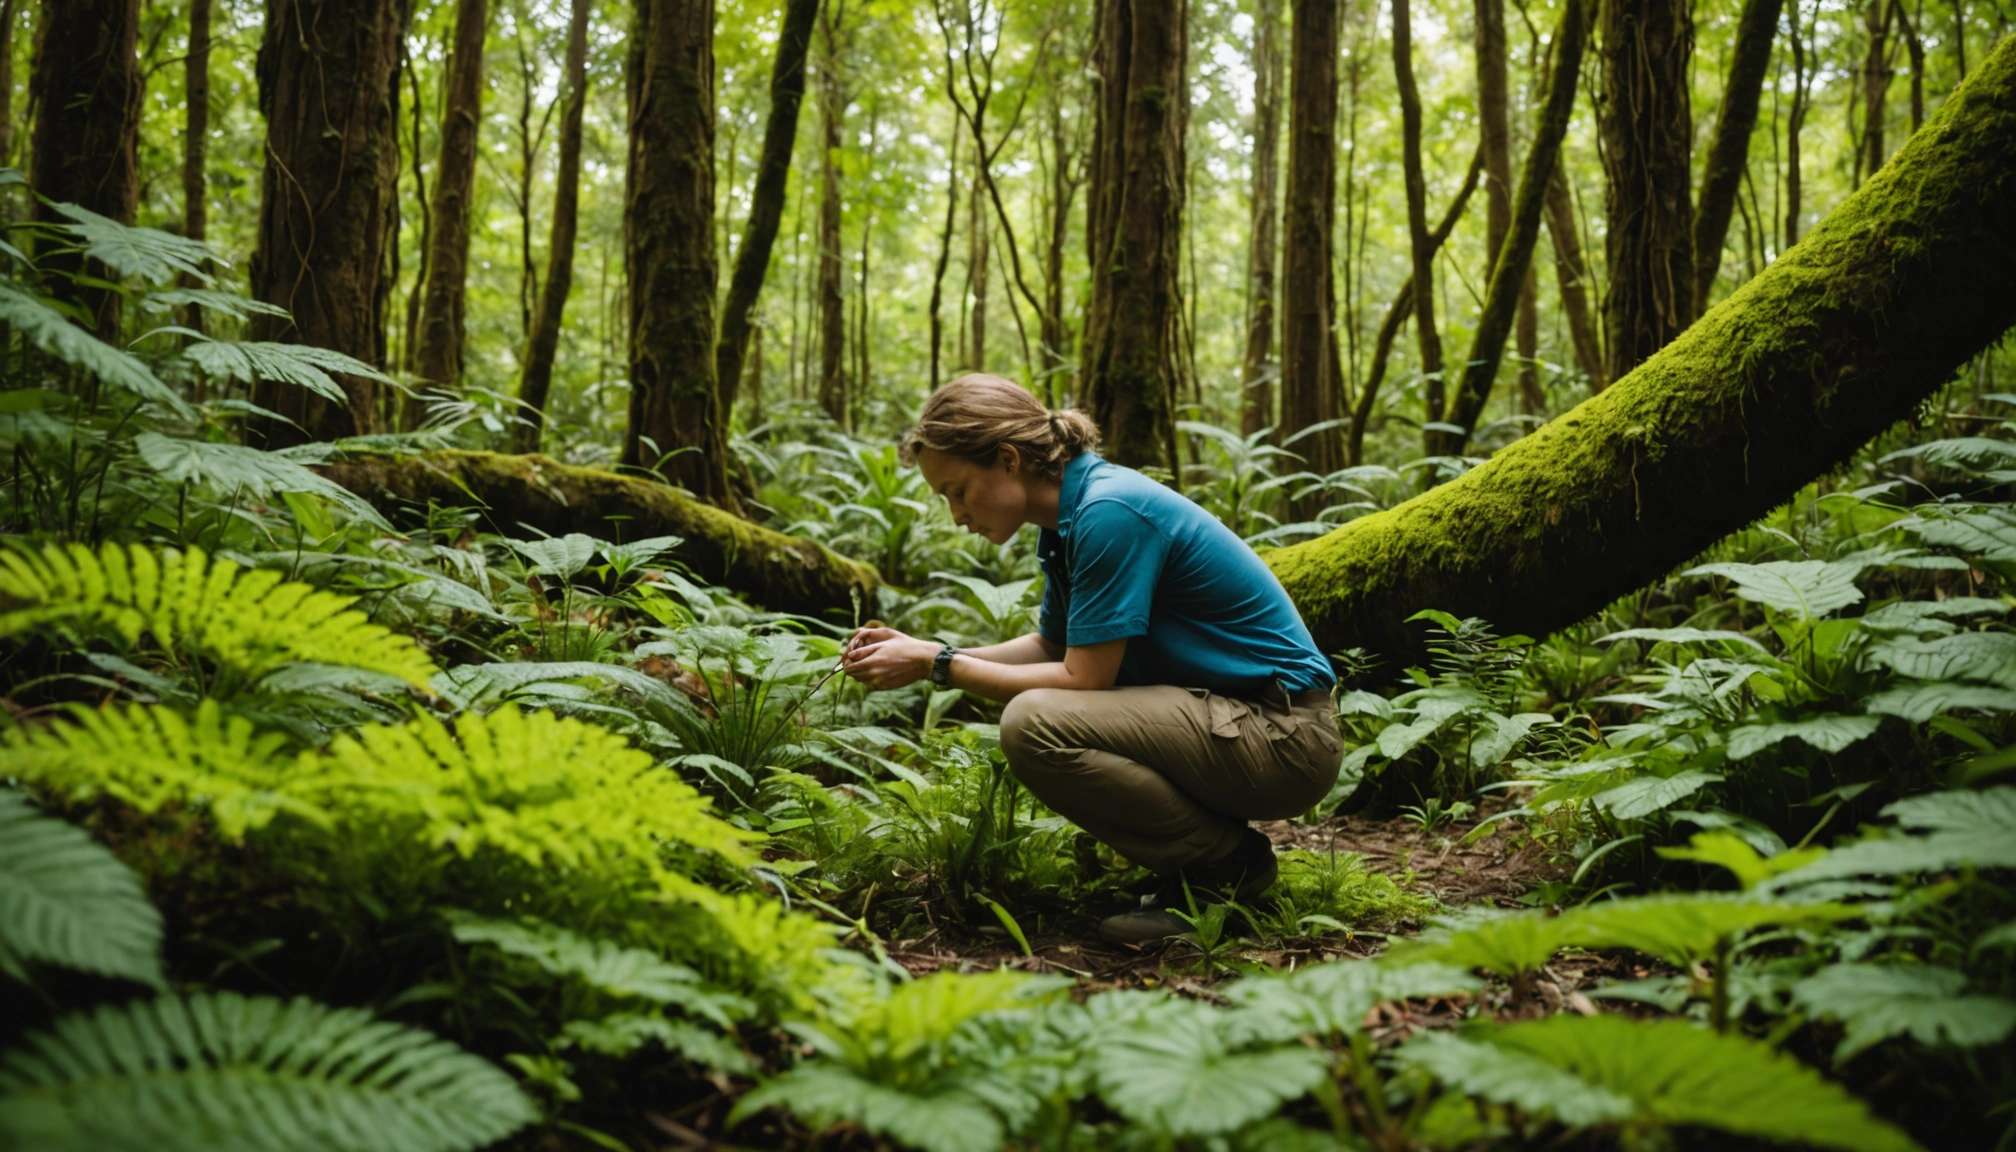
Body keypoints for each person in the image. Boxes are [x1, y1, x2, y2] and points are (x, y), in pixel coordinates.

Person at [840, 373, 1342, 944]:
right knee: (1039, 714)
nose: (956, 514)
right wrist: (923, 652)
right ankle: (1211, 864)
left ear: (1007, 460)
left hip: (1285, 736)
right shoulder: (1070, 521)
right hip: (1238, 722)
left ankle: (1225, 870)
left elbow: (1085, 678)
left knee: (1035, 724)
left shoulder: (1110, 511)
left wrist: (937, 663)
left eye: (957, 490)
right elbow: (1053, 648)